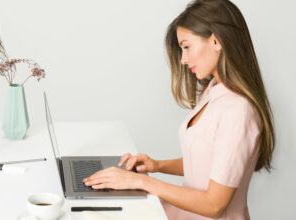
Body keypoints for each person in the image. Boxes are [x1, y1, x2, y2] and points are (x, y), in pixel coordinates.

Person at [82, 0, 275, 219]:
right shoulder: (213, 92)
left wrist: (140, 181)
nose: (183, 59)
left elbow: (214, 205)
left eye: (186, 46)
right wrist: (156, 165)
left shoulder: (238, 111)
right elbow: (207, 163)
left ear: (216, 41)